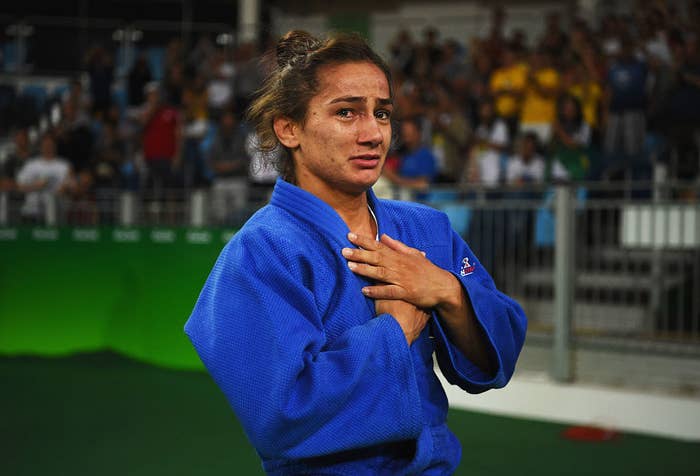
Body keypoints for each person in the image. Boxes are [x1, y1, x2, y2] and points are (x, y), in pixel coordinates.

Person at [185, 30, 526, 475]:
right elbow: (278, 416)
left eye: (381, 113)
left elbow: (501, 348)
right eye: (346, 112)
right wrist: (394, 331)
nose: (373, 133)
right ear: (289, 129)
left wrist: (446, 290)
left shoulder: (425, 228)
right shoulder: (261, 253)